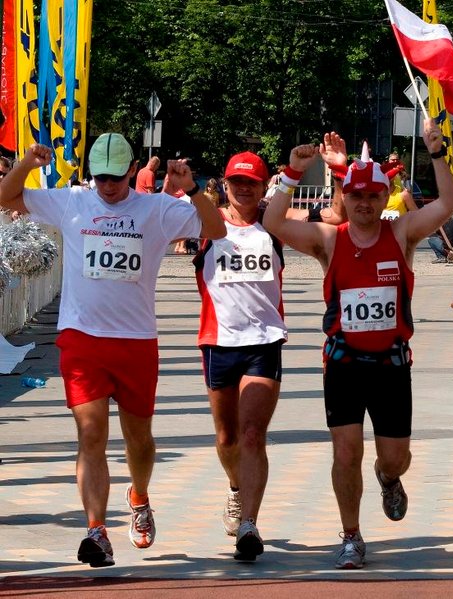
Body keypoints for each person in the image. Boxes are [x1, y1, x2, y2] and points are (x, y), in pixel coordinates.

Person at [0, 134, 225, 568]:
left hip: (136, 341)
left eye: (117, 177)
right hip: (82, 338)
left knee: (138, 439)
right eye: (101, 176)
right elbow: (6, 195)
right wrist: (27, 163)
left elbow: (215, 230)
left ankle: (139, 496)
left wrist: (192, 188)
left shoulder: (156, 209)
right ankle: (97, 531)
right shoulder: (73, 201)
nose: (108, 186)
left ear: (133, 168)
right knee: (91, 434)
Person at [261, 118, 453, 570]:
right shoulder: (328, 239)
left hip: (391, 365)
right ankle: (350, 534)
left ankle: (388, 478)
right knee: (345, 450)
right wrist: (293, 173)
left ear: (382, 198)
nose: (365, 203)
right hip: (344, 363)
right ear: (345, 198)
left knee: (396, 457)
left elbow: (449, 202)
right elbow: (272, 220)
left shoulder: (402, 232)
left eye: (373, 195)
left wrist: (438, 153)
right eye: (357, 196)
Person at [194, 151, 290, 562]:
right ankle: (236, 489)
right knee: (227, 438)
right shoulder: (204, 224)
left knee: (253, 434)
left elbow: (335, 215)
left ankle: (249, 523)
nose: (244, 188)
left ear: (264, 185)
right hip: (218, 343)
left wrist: (314, 170)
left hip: (263, 342)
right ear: (225, 183)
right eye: (237, 181)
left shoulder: (275, 227)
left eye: (252, 181)